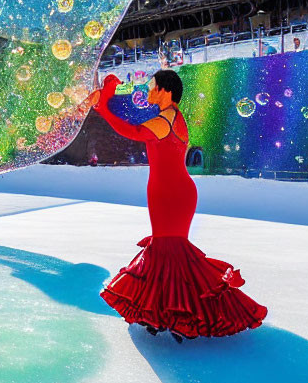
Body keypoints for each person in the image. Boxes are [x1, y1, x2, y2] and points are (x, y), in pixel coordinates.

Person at [91, 70, 267, 340]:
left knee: (170, 253)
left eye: (152, 86)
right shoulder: (167, 118)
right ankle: (164, 313)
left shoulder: (167, 119)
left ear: (166, 90)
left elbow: (133, 131)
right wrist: (106, 102)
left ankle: (181, 315)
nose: (148, 91)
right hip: (167, 192)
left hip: (172, 194)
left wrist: (104, 107)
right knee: (166, 255)